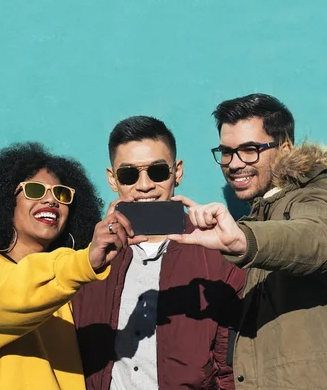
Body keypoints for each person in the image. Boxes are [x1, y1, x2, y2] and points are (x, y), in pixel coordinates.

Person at [169, 94, 327, 389]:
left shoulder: (315, 196)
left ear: (285, 148)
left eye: (250, 150)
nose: (234, 164)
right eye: (226, 152)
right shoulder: (262, 212)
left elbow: (316, 240)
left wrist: (244, 241)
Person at [0, 142, 146, 390]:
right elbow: (13, 297)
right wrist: (84, 261)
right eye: (34, 190)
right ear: (4, 201)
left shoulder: (63, 290)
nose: (51, 200)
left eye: (62, 194)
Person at [72, 116, 246, 389]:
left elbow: (229, 370)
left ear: (177, 172)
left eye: (157, 171)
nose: (144, 185)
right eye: (129, 174)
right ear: (112, 179)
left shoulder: (216, 255)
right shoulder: (86, 259)